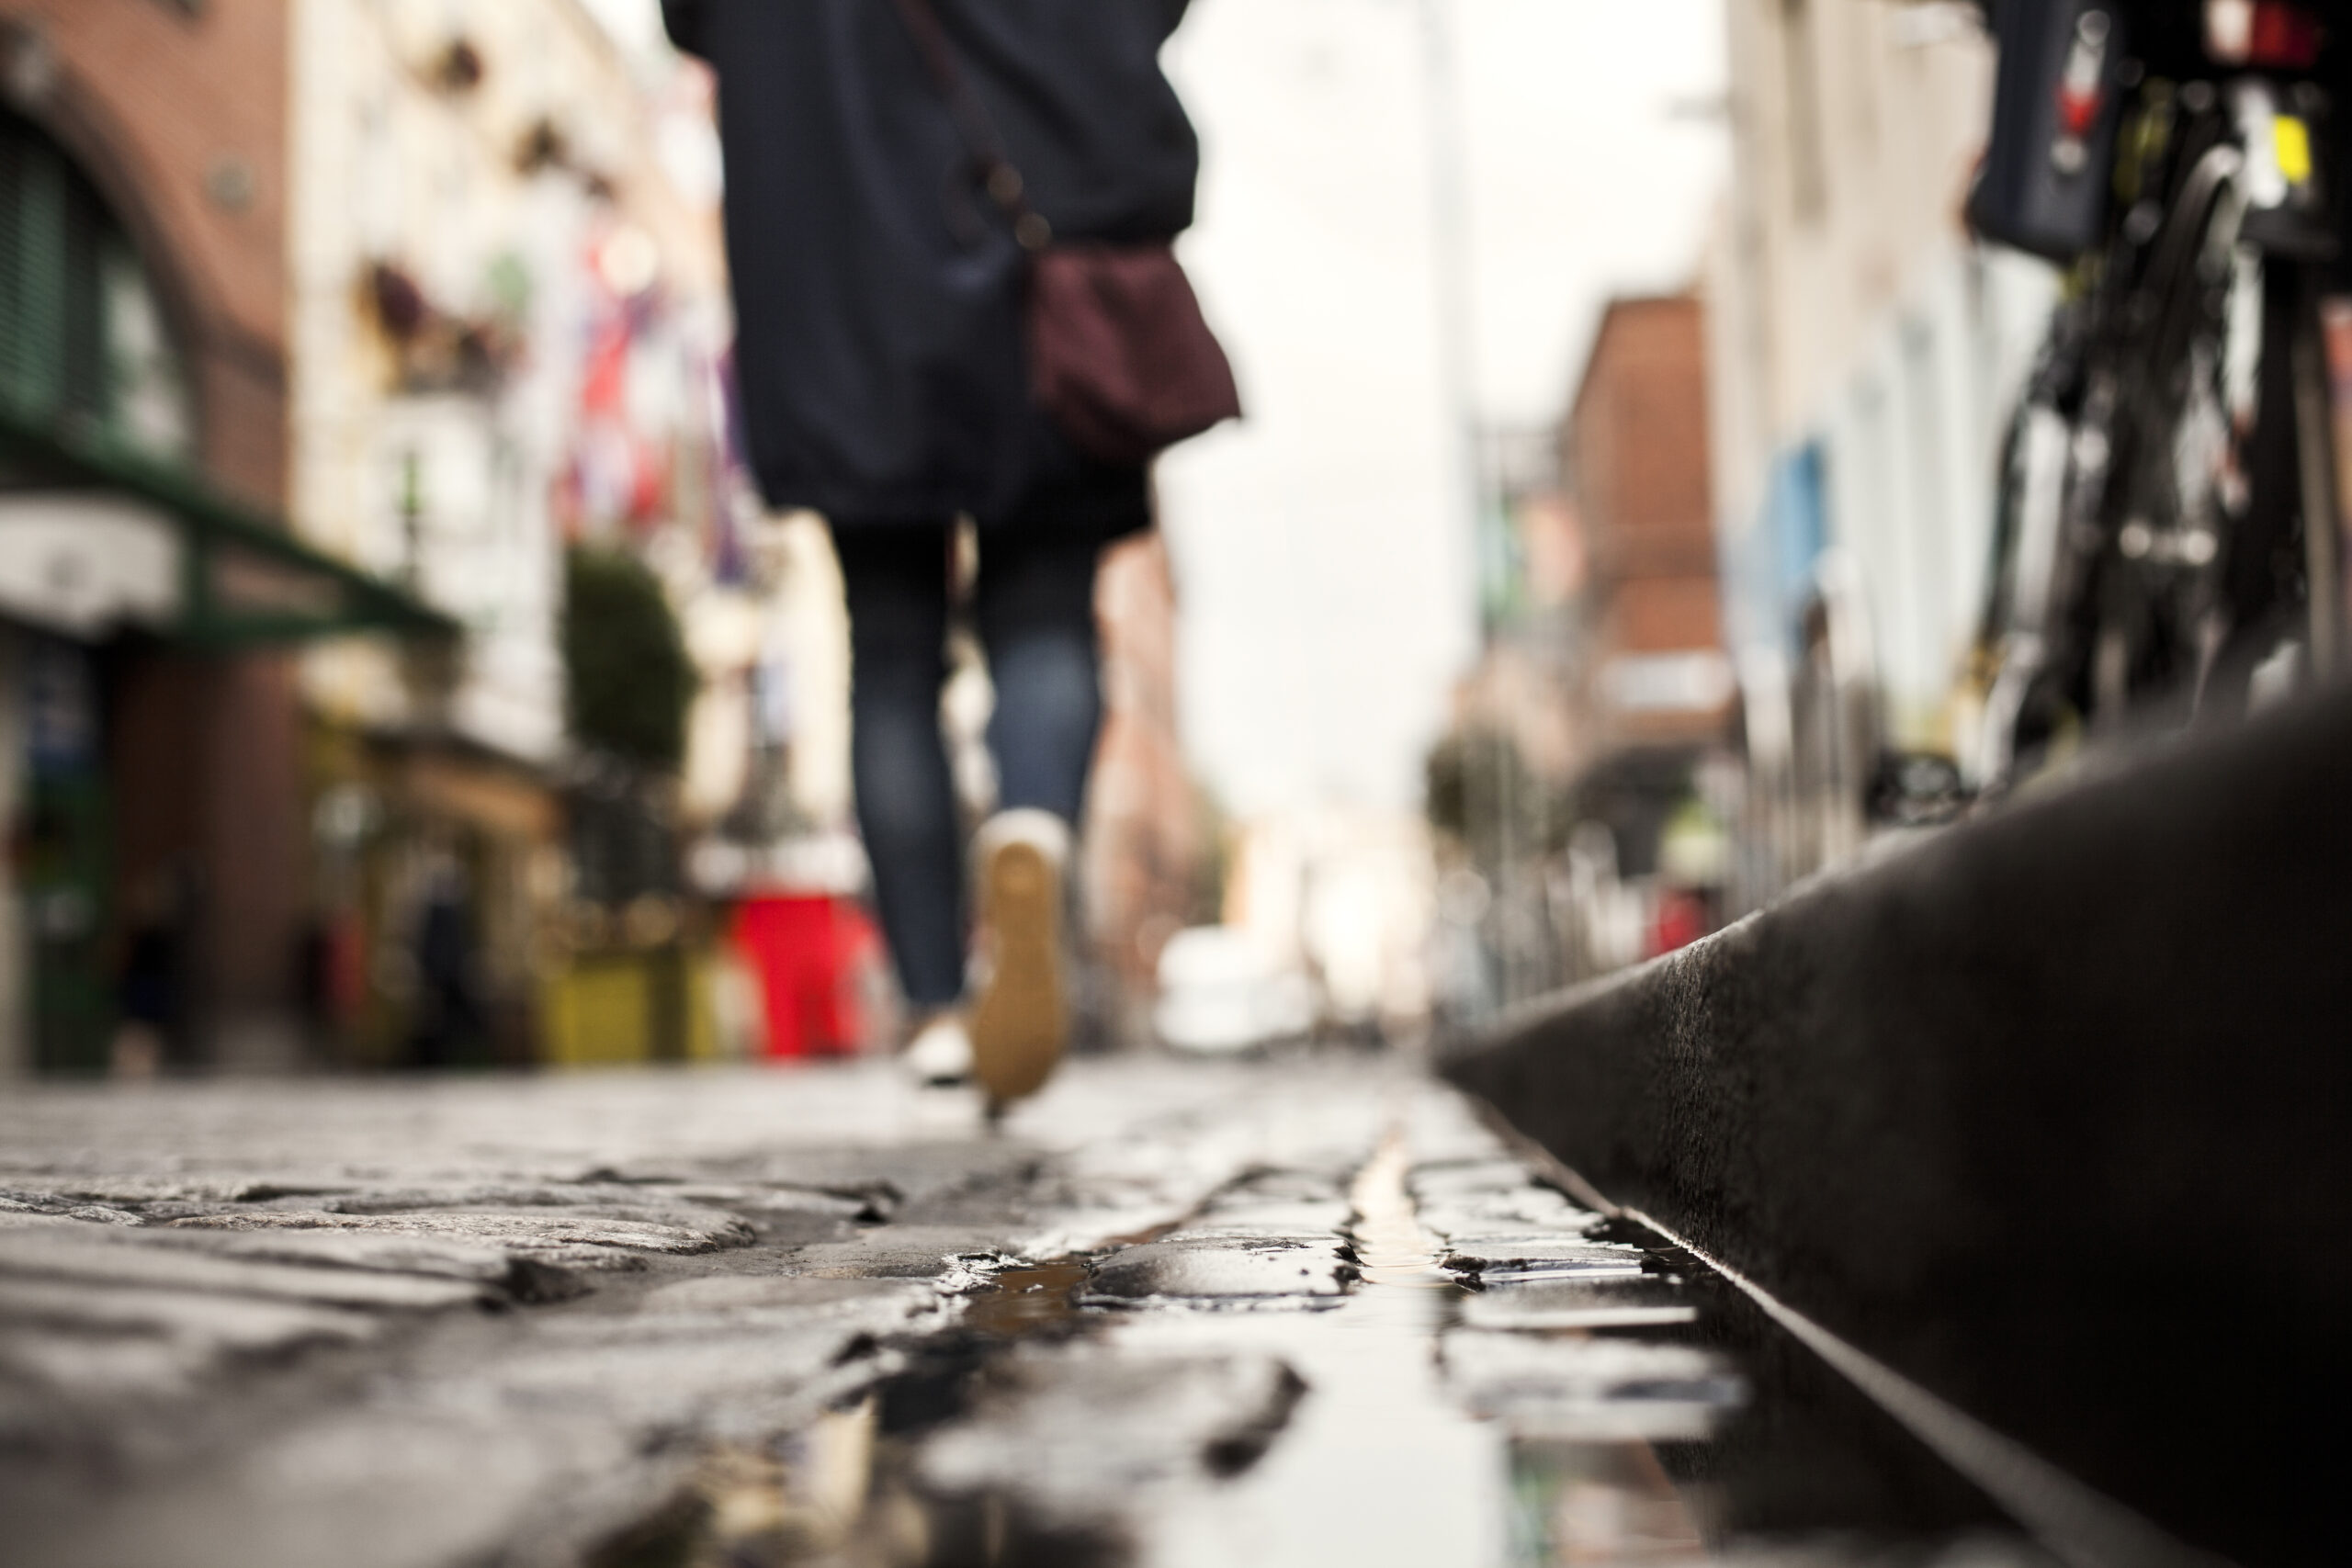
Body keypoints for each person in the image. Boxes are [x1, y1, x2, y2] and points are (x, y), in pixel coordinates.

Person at [660, 1, 1204, 1109]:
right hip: (1037, 254)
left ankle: (935, 1005)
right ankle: (1035, 829)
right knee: (1047, 616)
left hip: (845, 297)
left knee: (891, 648)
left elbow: (692, 22)